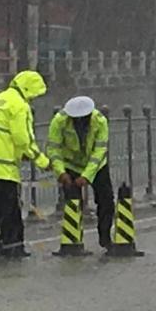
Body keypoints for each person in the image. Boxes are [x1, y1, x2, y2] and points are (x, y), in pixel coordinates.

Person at [0, 70, 54, 259]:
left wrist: (20, 154)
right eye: (34, 94)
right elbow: (22, 138)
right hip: (3, 170)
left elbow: (2, 136)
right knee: (10, 212)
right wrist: (42, 161)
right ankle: (13, 248)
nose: (33, 99)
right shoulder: (19, 106)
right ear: (28, 89)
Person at [47, 95, 115, 252]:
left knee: (106, 201)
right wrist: (61, 172)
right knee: (72, 203)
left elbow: (99, 151)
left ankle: (105, 237)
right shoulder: (59, 121)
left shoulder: (100, 121)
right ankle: (73, 241)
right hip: (70, 165)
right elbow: (53, 149)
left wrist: (86, 176)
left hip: (96, 166)